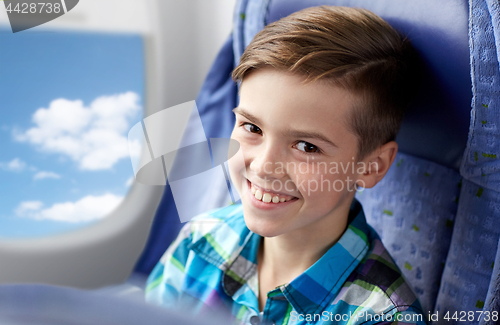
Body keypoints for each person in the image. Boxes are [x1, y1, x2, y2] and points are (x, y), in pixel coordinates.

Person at [145, 6, 426, 325]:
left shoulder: (382, 317)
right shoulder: (201, 240)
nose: (264, 167)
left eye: (307, 146)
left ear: (371, 166)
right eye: (252, 128)